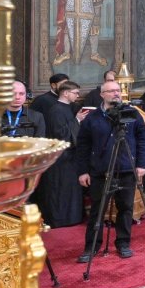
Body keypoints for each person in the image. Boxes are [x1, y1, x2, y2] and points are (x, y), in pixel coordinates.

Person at [74, 79, 145, 262]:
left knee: (125, 208)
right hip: (100, 171)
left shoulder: (131, 114)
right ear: (102, 95)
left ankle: (123, 243)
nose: (116, 93)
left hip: (126, 168)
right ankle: (91, 247)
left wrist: (141, 164)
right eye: (111, 91)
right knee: (97, 211)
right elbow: (83, 145)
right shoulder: (92, 118)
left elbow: (143, 140)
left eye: (117, 90)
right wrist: (83, 171)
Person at [36, 80, 87, 228]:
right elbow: (60, 134)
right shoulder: (56, 110)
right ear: (65, 93)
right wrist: (77, 120)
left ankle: (73, 217)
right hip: (61, 158)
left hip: (70, 156)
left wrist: (77, 120)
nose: (77, 96)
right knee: (61, 189)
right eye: (75, 93)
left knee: (71, 188)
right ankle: (61, 219)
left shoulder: (67, 107)